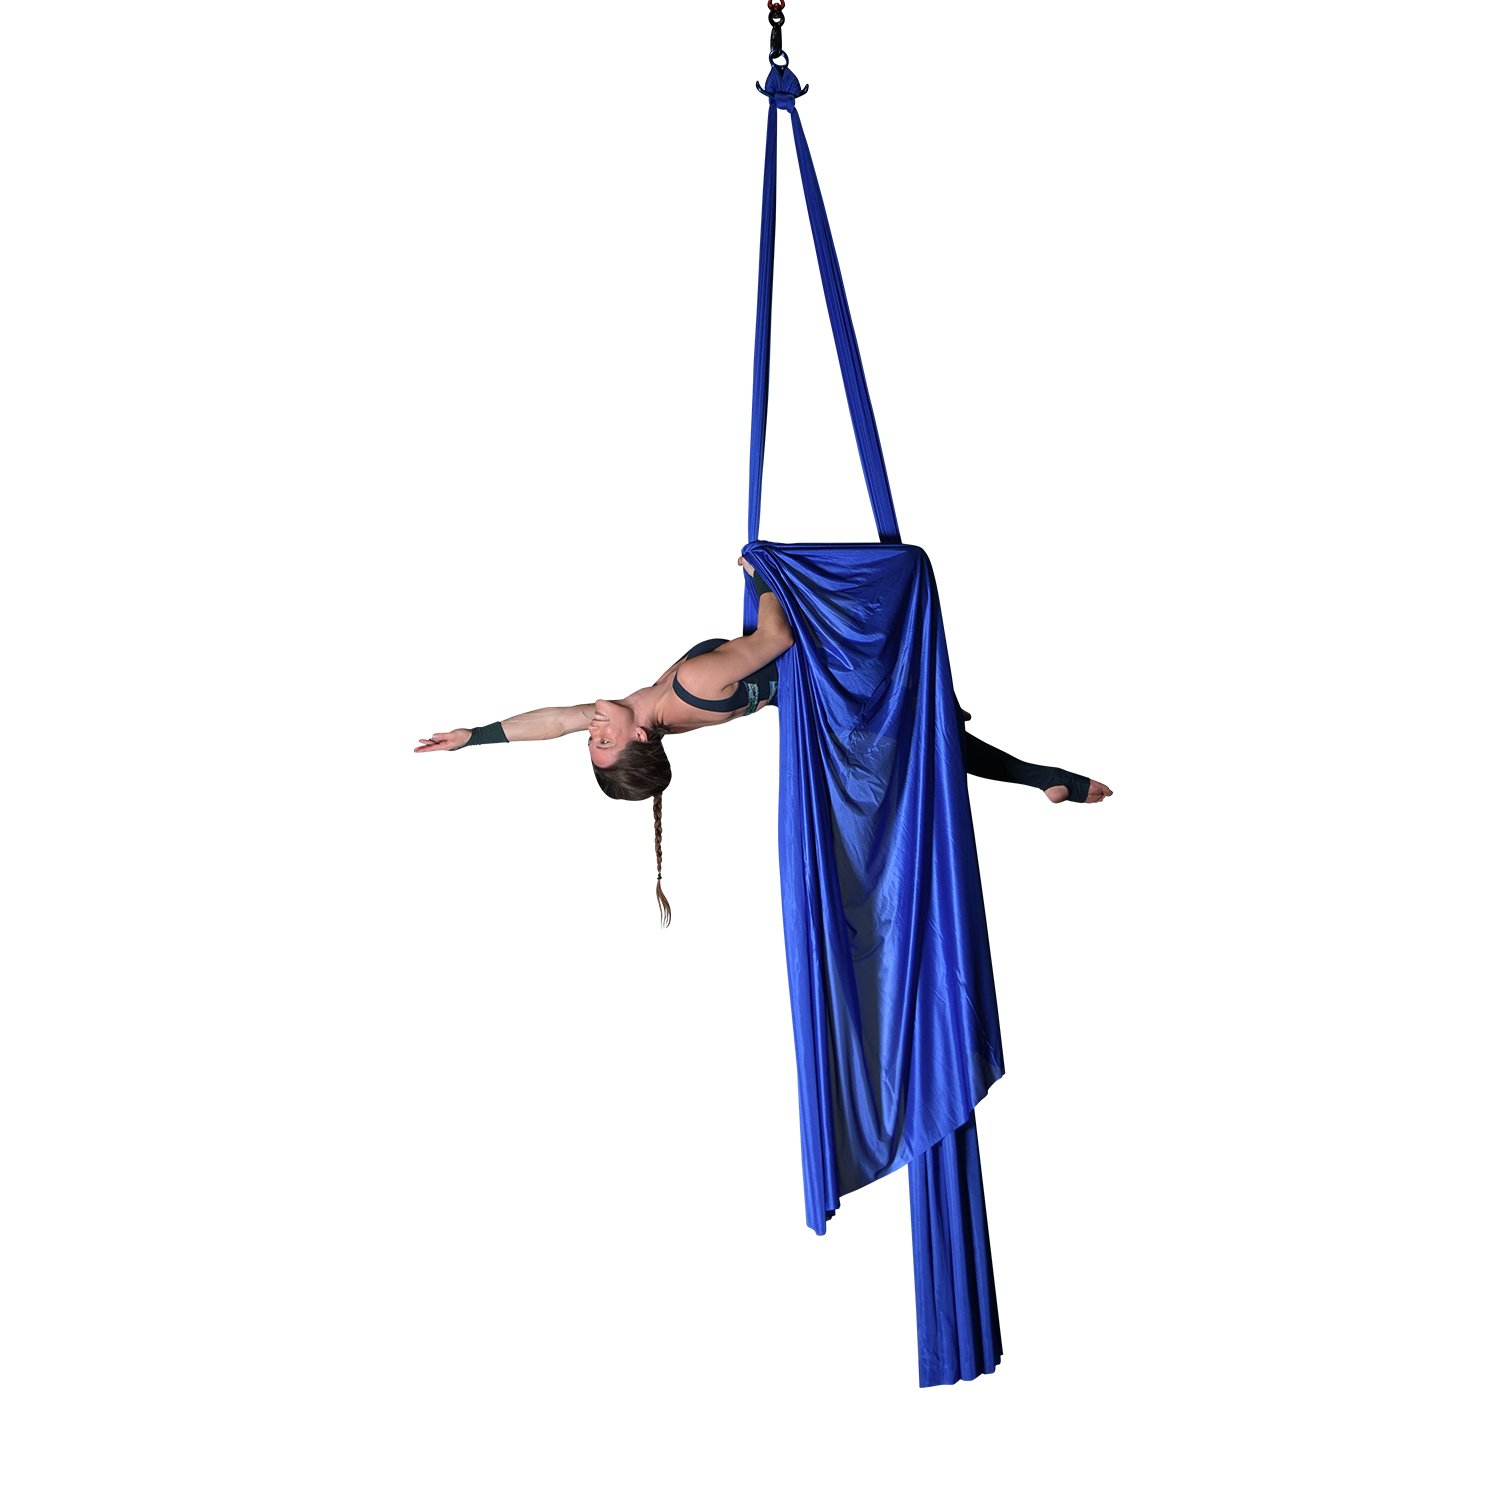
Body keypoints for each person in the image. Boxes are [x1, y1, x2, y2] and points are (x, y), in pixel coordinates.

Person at [415, 558, 1112, 923]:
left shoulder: (646, 707)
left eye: (588, 737)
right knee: (927, 730)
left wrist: (472, 737)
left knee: (932, 741)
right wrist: (767, 574)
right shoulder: (690, 684)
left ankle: (1043, 780)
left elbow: (550, 721)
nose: (588, 729)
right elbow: (774, 637)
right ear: (635, 738)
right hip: (835, 678)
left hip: (820, 689)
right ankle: (1045, 779)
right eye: (601, 741)